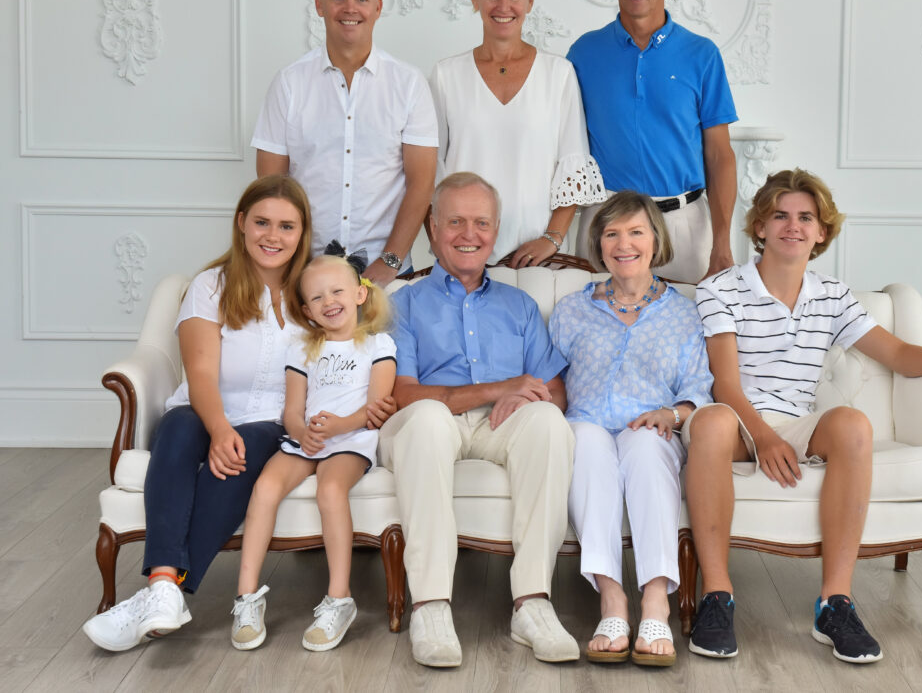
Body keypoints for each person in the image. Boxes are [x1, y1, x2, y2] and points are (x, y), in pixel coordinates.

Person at [690, 168, 922, 663]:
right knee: (710, 422)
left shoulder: (832, 295)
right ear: (759, 227)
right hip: (735, 418)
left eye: (806, 217)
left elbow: (896, 354)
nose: (793, 225)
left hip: (796, 420)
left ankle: (835, 604)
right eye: (780, 215)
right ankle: (716, 598)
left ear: (822, 231)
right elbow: (724, 384)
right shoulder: (722, 289)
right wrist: (764, 438)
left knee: (854, 425)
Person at [83, 175, 314, 652]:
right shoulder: (211, 285)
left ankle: (163, 590)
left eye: (287, 227)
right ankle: (166, 586)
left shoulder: (314, 291)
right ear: (241, 224)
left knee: (240, 454)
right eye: (262, 223)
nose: (273, 236)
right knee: (179, 425)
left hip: (273, 422)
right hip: (205, 409)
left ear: (303, 232)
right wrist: (218, 426)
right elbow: (201, 373)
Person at [379, 172, 578, 667]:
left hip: (498, 426)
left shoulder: (520, 306)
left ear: (496, 230)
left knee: (550, 423)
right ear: (432, 228)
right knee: (425, 418)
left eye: (482, 223)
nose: (470, 234)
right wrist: (496, 388)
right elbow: (404, 394)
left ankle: (532, 603)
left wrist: (526, 400)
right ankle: (430, 605)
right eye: (456, 222)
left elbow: (554, 388)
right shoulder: (401, 304)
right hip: (428, 422)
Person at [549, 191, 718, 667]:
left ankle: (656, 602)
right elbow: (551, 382)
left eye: (636, 232)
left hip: (653, 427)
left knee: (646, 447)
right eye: (612, 234)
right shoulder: (571, 310)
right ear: (599, 245)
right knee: (582, 440)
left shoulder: (684, 313)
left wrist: (674, 414)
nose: (624, 244)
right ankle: (611, 600)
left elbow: (699, 389)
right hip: (587, 424)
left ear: (655, 239)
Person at [230, 246, 396, 652]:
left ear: (359, 294)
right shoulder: (303, 349)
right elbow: (291, 411)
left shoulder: (378, 346)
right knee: (265, 488)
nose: (329, 302)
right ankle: (246, 598)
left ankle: (339, 599)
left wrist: (341, 425)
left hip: (351, 440)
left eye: (337, 291)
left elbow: (376, 407)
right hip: (307, 441)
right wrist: (302, 432)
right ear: (306, 311)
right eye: (317, 297)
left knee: (330, 490)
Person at [567, 0, 738, 284]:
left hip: (684, 224)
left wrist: (721, 243)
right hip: (607, 223)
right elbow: (566, 145)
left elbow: (720, 155)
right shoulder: (584, 53)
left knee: (691, 333)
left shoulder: (701, 54)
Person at [253, 0, 438, 286]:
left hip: (388, 274)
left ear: (378, 7)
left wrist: (390, 260)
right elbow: (271, 188)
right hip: (305, 272)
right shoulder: (289, 83)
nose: (350, 8)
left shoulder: (409, 84)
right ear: (319, 5)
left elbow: (421, 183)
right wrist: (290, 264)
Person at [429, 0, 605, 266]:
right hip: (463, 255)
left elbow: (572, 165)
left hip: (537, 260)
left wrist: (551, 239)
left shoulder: (559, 74)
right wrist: (443, 247)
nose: (504, 7)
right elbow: (430, 172)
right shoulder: (446, 76)